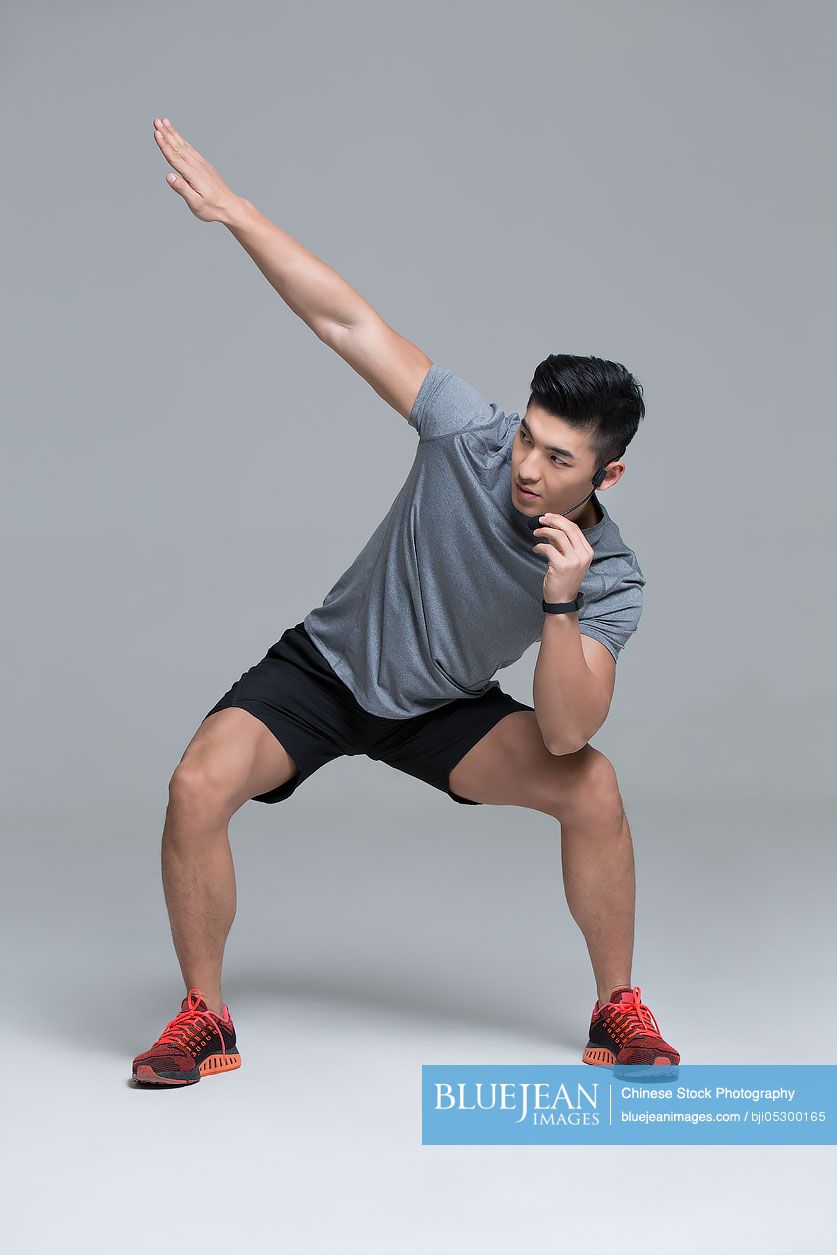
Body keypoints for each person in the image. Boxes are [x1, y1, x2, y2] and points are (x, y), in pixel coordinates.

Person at [131, 116, 680, 1088]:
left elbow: (563, 731)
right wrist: (237, 213)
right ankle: (205, 1018)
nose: (527, 465)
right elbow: (346, 319)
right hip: (325, 670)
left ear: (611, 471)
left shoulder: (611, 573)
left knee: (592, 786)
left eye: (558, 458)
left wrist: (559, 606)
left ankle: (618, 1005)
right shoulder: (468, 432)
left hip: (444, 712)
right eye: (529, 438)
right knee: (194, 787)